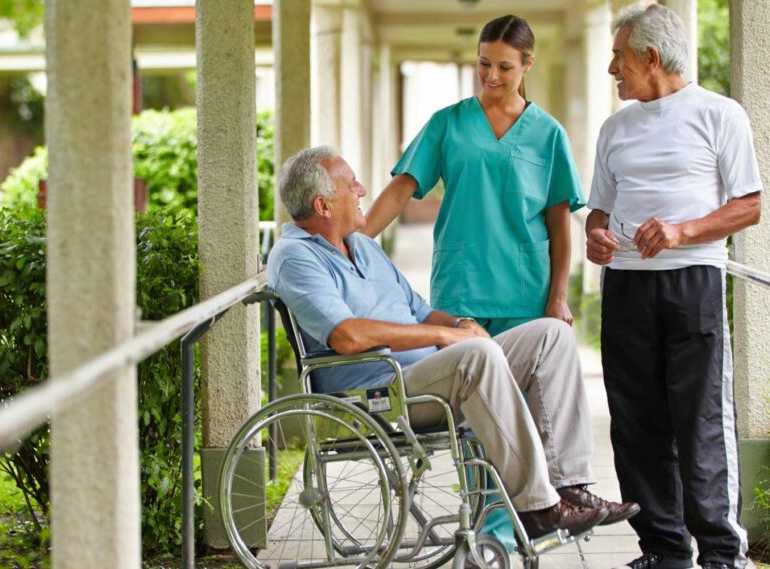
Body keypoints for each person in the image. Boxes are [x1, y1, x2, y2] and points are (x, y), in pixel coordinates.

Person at [268, 145, 639, 542]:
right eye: (350, 184)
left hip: (429, 376)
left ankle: (568, 488)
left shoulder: (363, 246)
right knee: (473, 355)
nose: (361, 189)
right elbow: (347, 335)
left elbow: (421, 311)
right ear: (323, 206)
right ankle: (539, 509)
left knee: (552, 335)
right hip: (378, 393)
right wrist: (447, 337)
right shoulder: (295, 258)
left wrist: (460, 323)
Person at [585, 5, 762, 569]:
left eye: (619, 56)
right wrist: (596, 238)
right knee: (636, 422)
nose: (612, 68)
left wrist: (683, 230)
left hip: (694, 285)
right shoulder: (614, 129)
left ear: (650, 57)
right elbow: (598, 212)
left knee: (701, 418)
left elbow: (749, 205)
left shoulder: (720, 114)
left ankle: (720, 552)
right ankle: (663, 550)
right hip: (626, 289)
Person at [362, 14, 584, 337]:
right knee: (461, 384)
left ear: (528, 64)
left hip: (525, 294)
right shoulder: (447, 123)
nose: (491, 76)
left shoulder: (549, 134)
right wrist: (353, 242)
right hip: (460, 290)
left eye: (505, 67)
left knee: (518, 388)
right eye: (484, 63)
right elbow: (401, 189)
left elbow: (559, 223)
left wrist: (559, 298)